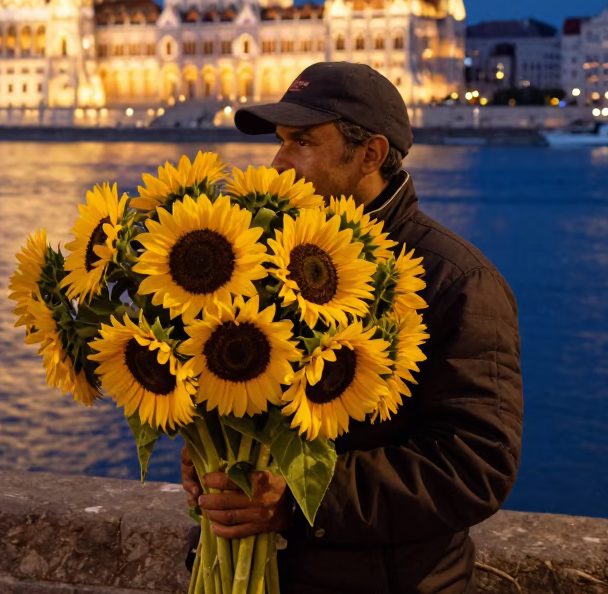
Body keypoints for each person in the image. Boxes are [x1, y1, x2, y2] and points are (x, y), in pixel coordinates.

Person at [180, 61, 523, 594]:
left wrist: (296, 497)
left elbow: (474, 465)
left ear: (371, 155)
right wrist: (215, 450)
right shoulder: (264, 254)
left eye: (302, 142)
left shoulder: (457, 281)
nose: (278, 162)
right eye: (280, 141)